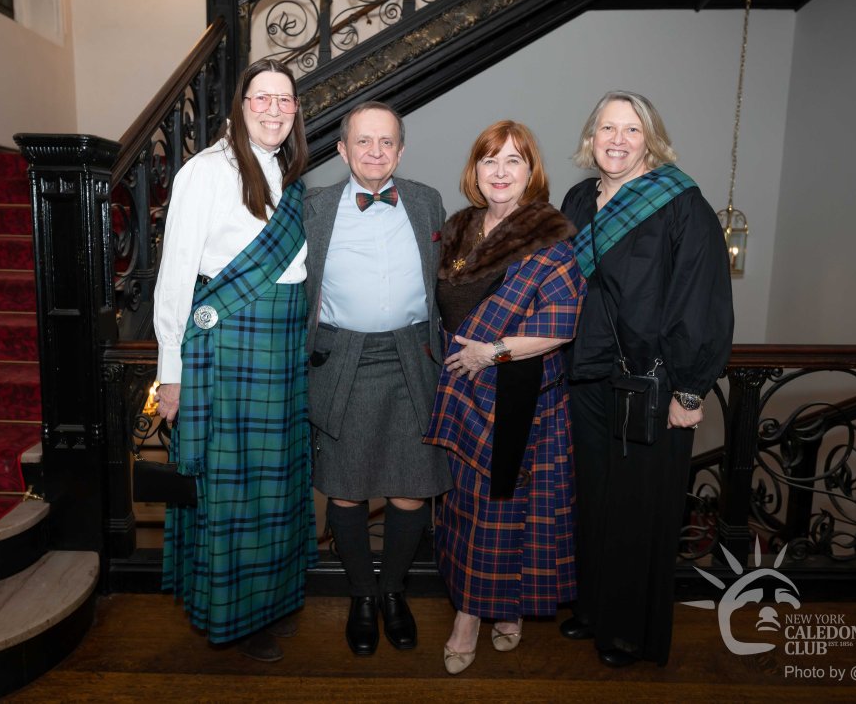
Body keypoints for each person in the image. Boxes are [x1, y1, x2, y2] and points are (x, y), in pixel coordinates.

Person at [558, 90, 733, 668]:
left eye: (632, 130)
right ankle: (593, 608)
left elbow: (700, 298)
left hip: (653, 384)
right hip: (586, 376)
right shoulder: (579, 199)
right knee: (594, 501)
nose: (617, 140)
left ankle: (628, 631)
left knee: (638, 510)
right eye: (607, 128)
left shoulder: (682, 205)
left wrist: (690, 389)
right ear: (591, 137)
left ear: (650, 140)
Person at [153, 57, 317, 663]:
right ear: (241, 107)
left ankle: (270, 601)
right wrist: (171, 375)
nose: (274, 110)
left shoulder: (287, 171)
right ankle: (236, 615)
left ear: (296, 110)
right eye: (261, 99)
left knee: (276, 482)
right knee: (233, 488)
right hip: (230, 346)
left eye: (284, 100)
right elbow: (176, 274)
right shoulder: (206, 170)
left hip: (281, 344)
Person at [424, 121, 585, 675]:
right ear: (475, 170)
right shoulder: (459, 227)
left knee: (510, 510)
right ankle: (476, 606)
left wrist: (489, 353)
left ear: (530, 172)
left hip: (520, 394)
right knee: (465, 508)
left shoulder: (549, 237)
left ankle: (480, 614)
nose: (500, 171)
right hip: (462, 391)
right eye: (490, 160)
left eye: (513, 160)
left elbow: (561, 325)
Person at [304, 101, 452, 657]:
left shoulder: (427, 201)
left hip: (414, 358)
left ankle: (393, 591)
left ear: (401, 150)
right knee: (345, 489)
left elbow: (448, 283)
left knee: (412, 488)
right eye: (363, 141)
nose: (375, 151)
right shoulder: (314, 208)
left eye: (386, 141)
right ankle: (361, 596)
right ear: (342, 150)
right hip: (342, 359)